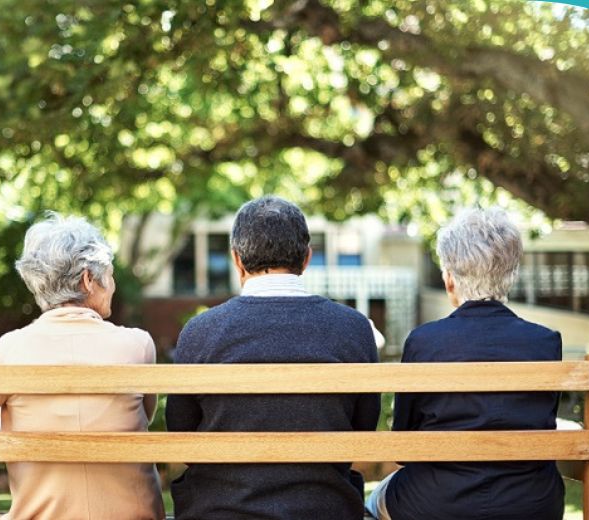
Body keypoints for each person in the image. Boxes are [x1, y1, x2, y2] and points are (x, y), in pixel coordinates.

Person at [167, 196, 380, 519]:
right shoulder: (353, 329)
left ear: (237, 260)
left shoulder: (200, 332)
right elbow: (363, 429)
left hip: (220, 510)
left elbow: (181, 433)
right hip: (325, 509)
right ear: (306, 259)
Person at [365, 208, 565, 520]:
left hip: (436, 501)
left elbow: (405, 444)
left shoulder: (424, 342)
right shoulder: (545, 342)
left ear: (449, 281)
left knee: (373, 501)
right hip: (531, 500)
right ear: (510, 276)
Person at [0, 213, 164, 520]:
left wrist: (2, 428)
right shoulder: (137, 345)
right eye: (109, 275)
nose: (111, 285)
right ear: (88, 279)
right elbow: (142, 418)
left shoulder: (11, 348)